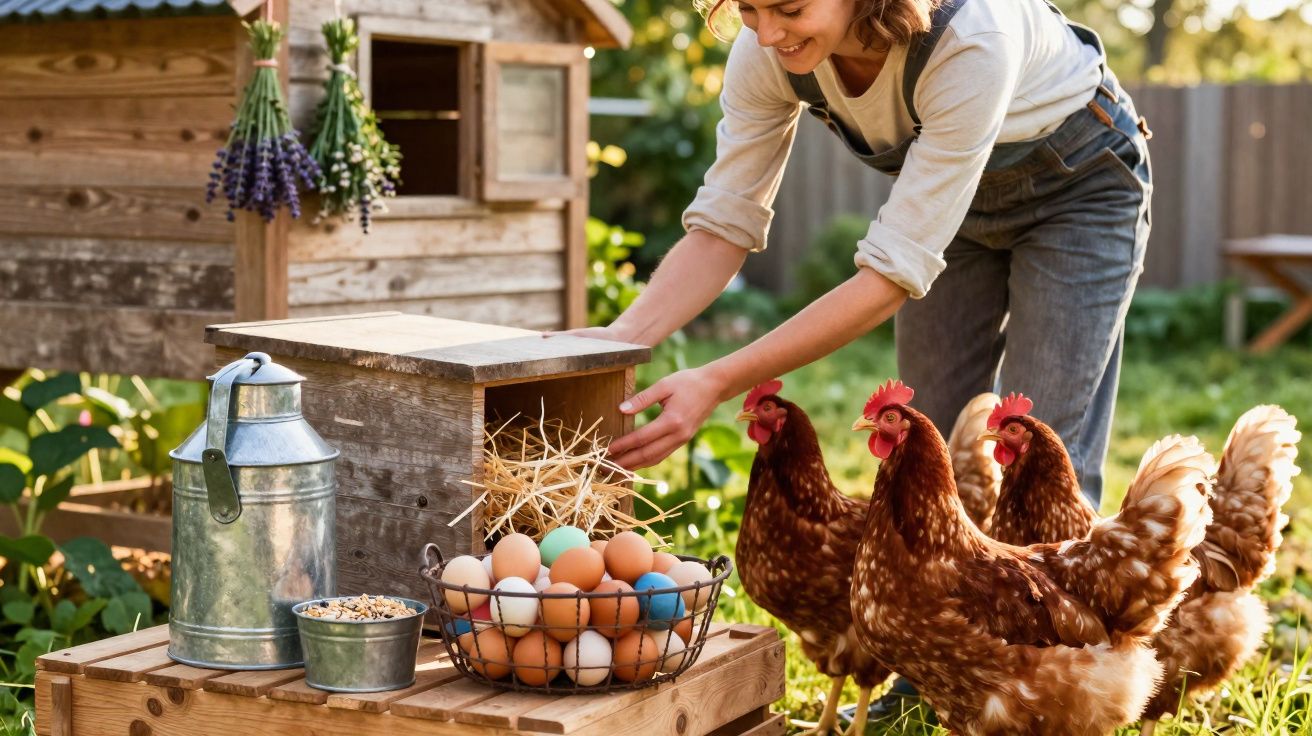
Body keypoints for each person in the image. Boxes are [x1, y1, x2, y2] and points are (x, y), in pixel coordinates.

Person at [553, 0, 1151, 718]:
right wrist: (619, 338)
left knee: (1041, 456)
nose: (769, 31)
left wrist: (716, 379)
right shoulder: (767, 53)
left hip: (1078, 182)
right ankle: (932, 677)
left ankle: (1052, 698)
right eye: (748, 8)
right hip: (947, 206)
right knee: (928, 459)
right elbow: (725, 220)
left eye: (791, 8)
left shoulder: (971, 41)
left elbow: (888, 278)